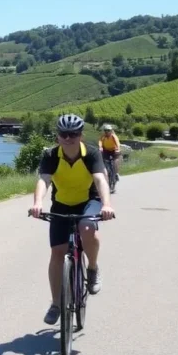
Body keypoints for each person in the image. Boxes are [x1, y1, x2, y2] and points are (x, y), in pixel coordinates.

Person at [29, 113, 115, 326]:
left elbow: (100, 179)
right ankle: (56, 304)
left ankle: (92, 268)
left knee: (86, 227)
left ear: (80, 135)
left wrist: (106, 204)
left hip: (88, 201)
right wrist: (38, 203)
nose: (68, 138)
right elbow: (44, 180)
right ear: (58, 136)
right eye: (64, 134)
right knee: (57, 253)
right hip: (61, 204)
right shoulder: (50, 155)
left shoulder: (91, 154)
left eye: (73, 134)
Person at [98, 123, 121, 189]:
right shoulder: (103, 136)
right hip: (106, 150)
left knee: (116, 160)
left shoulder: (113, 136)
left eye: (108, 130)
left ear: (111, 131)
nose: (107, 132)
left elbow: (117, 142)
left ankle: (116, 173)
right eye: (105, 130)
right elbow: (100, 141)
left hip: (114, 150)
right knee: (104, 160)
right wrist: (100, 147)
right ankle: (105, 171)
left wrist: (118, 149)